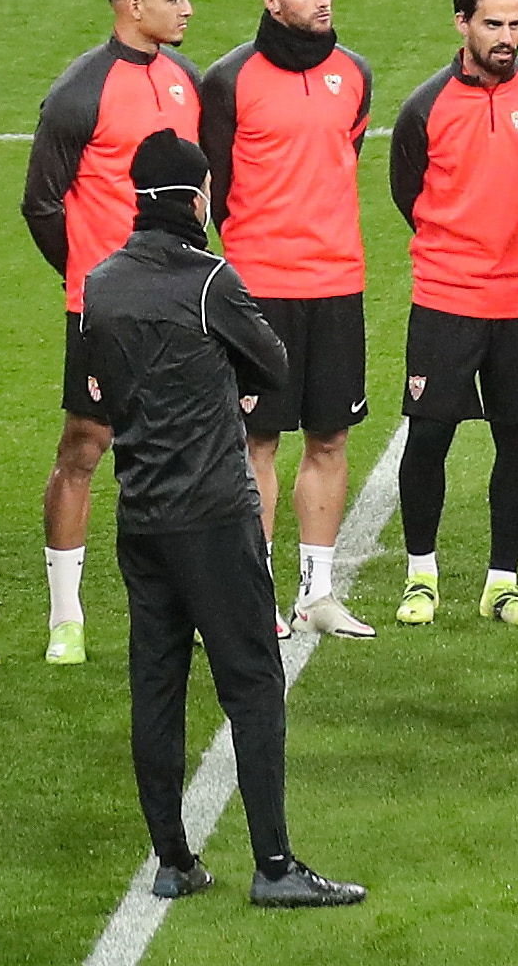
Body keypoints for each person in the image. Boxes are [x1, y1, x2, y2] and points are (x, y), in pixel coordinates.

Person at [84, 132, 362, 908]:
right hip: (213, 514)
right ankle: (273, 865)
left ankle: (173, 860)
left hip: (140, 517)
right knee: (251, 684)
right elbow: (273, 362)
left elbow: (97, 383)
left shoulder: (101, 284)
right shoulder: (210, 281)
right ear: (197, 199)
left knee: (157, 685)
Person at [23, 0, 204, 667]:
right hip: (107, 312)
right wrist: (91, 283)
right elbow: (40, 201)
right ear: (133, 6)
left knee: (181, 455)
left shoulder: (187, 79)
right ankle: (65, 616)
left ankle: (181, 605)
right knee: (85, 449)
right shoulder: (80, 91)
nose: (188, 9)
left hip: (181, 305)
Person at [385, 0, 518, 627]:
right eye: (492, 24)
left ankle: (502, 583)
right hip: (447, 296)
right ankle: (420, 577)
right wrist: (459, 245)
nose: (506, 37)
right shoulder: (425, 106)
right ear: (461, 22)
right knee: (430, 434)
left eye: (516, 24)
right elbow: (408, 192)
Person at [200, 0, 376, 637]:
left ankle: (319, 592)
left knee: (330, 437)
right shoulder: (229, 80)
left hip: (337, 281)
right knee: (257, 442)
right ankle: (257, 592)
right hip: (259, 288)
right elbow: (218, 186)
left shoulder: (355, 74)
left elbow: (346, 157)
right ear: (272, 0)